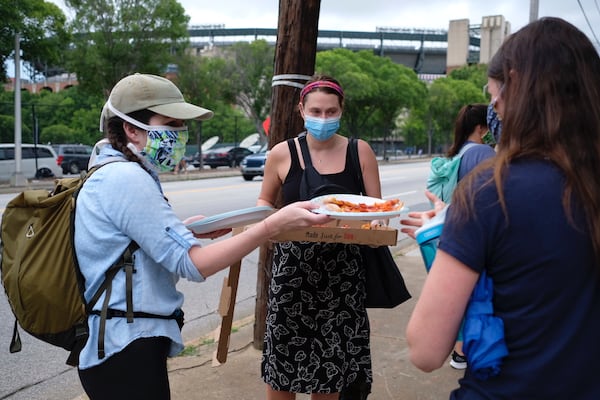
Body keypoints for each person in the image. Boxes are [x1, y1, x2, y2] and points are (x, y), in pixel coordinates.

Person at [74, 73, 331, 399]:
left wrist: (187, 230)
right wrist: (271, 226)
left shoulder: (113, 170)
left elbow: (132, 241)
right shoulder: (126, 178)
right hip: (125, 345)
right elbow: (194, 265)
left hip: (121, 342)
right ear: (131, 129)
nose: (180, 133)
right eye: (170, 123)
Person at [403, 17, 600, 398]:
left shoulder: (490, 191)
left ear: (513, 85)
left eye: (492, 93)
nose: (492, 106)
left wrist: (450, 234)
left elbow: (425, 350)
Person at [257, 75, 382, 399]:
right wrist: (269, 222)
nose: (323, 119)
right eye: (316, 111)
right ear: (301, 109)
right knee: (281, 372)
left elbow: (376, 212)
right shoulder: (281, 154)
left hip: (343, 281)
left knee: (330, 372)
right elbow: (264, 202)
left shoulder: (360, 152)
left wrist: (376, 226)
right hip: (292, 277)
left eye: (330, 111)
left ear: (341, 110)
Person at [440, 103, 495, 370]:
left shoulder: (458, 153)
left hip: (453, 229)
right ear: (481, 128)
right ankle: (464, 351)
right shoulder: (485, 153)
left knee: (462, 294)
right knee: (479, 295)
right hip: (477, 231)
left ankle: (458, 350)